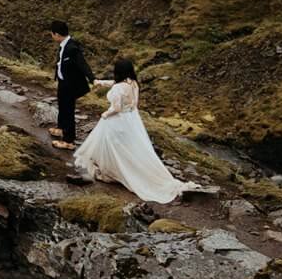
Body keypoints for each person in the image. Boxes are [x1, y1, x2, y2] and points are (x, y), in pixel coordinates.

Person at [72, 58, 213, 203]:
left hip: (117, 121)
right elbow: (121, 90)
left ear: (118, 72)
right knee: (130, 148)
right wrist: (100, 81)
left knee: (113, 146)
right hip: (131, 120)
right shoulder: (133, 83)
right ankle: (124, 170)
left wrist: (105, 114)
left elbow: (117, 108)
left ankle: (114, 172)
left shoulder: (118, 88)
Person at [47, 19, 92, 151]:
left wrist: (92, 79)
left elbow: (82, 64)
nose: (51, 36)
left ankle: (69, 140)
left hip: (71, 84)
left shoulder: (72, 47)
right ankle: (61, 129)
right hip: (63, 81)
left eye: (52, 34)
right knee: (62, 106)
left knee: (68, 110)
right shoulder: (63, 44)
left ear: (56, 34)